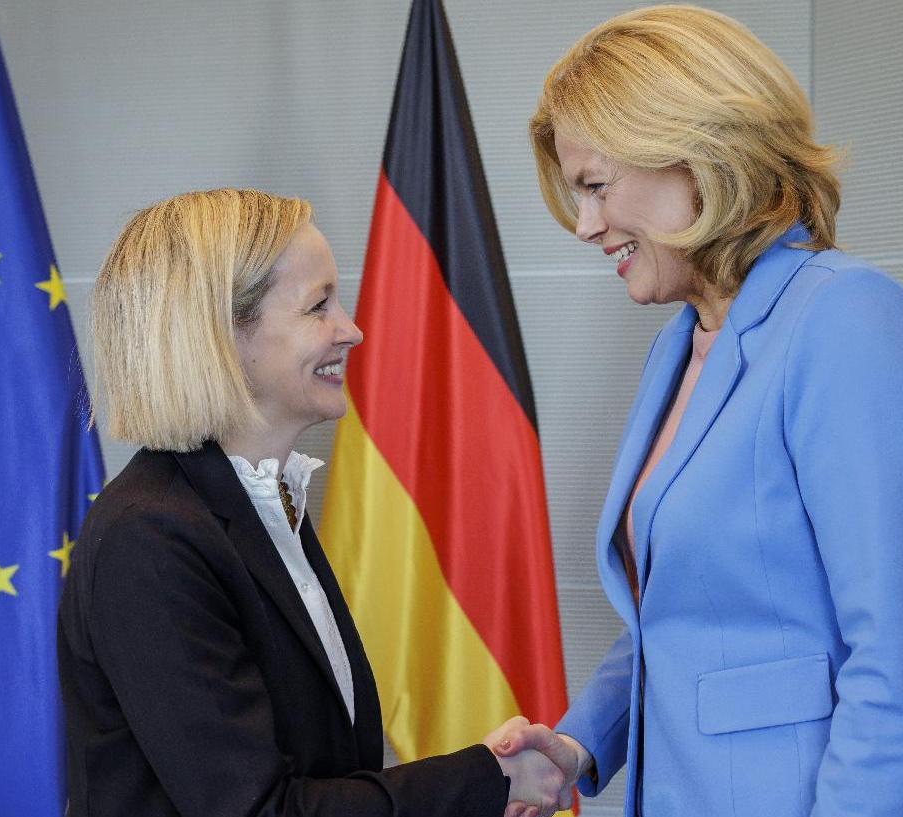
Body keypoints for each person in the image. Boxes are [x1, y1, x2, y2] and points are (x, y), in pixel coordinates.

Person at [495, 6, 903, 816]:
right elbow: (686, 614)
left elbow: (895, 659)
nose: (583, 226)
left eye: (593, 187)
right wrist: (579, 743)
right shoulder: (679, 345)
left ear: (694, 151)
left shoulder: (846, 320)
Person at [58, 188, 564, 817]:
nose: (352, 330)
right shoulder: (149, 538)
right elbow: (259, 810)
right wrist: (482, 780)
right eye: (318, 305)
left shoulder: (264, 507)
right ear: (220, 335)